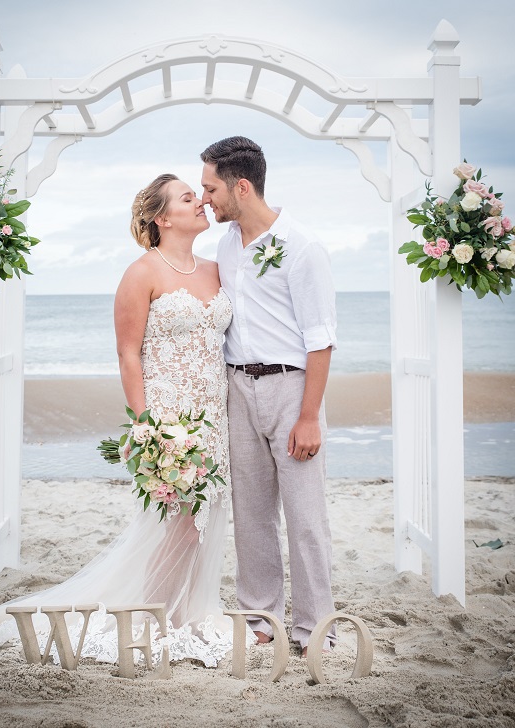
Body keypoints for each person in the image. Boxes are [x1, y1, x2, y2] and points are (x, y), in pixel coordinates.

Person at [0, 174, 240, 667]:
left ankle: (181, 616)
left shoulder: (217, 269)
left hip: (213, 414)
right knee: (173, 524)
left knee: (199, 524)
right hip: (168, 415)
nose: (200, 201)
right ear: (162, 218)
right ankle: (154, 622)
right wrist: (145, 428)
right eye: (187, 197)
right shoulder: (141, 273)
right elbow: (128, 355)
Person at [200, 136, 337, 656]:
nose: (205, 198)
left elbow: (320, 340)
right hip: (238, 386)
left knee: (305, 517)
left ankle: (313, 629)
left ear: (241, 185)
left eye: (210, 188)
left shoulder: (303, 246)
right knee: (251, 512)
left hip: (291, 389)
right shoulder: (225, 244)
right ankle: (261, 620)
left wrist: (309, 417)